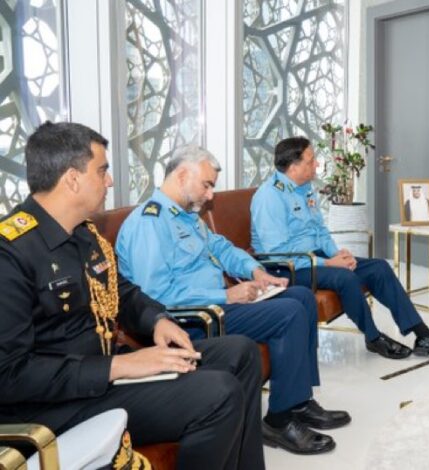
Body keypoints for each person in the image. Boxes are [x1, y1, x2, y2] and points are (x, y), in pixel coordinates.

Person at [0, 122, 264, 469]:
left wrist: (157, 320)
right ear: (72, 179)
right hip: (58, 404)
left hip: (105, 370)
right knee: (219, 394)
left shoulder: (84, 233)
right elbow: (10, 375)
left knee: (240, 352)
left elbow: (120, 291)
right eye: (102, 170)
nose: (110, 181)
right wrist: (120, 366)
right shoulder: (11, 252)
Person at [116, 145, 349, 455]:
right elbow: (155, 298)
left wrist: (256, 272)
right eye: (207, 185)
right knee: (289, 313)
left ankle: (298, 402)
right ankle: (279, 421)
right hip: (192, 321)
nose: (210, 195)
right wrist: (226, 294)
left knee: (301, 297)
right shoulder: (149, 223)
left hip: (217, 306)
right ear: (182, 175)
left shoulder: (187, 217)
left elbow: (223, 249)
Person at [250, 136, 429, 360]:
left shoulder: (305, 188)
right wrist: (329, 263)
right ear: (293, 167)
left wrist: (337, 254)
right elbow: (276, 253)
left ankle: (423, 336)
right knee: (346, 277)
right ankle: (373, 337)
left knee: (379, 267)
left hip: (315, 258)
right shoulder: (269, 197)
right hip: (286, 268)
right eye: (311, 160)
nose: (317, 164)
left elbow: (320, 230)